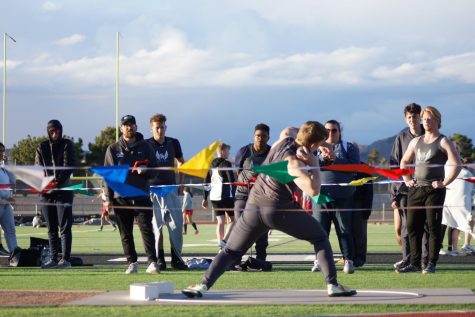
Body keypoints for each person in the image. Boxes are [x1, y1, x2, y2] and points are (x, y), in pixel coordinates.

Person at [182, 122, 357, 298]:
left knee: (230, 251)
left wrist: (324, 145)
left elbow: (290, 129)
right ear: (312, 145)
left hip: (252, 207)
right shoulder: (293, 162)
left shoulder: (284, 140)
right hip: (277, 210)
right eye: (318, 145)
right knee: (319, 237)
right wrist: (314, 163)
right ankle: (332, 285)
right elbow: (314, 190)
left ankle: (202, 286)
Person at [398, 106, 461, 274]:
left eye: (430, 119)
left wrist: (444, 182)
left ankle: (431, 263)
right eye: (424, 118)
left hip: (434, 190)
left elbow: (457, 164)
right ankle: (415, 263)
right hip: (416, 189)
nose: (426, 121)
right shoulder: (415, 141)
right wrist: (407, 179)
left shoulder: (443, 141)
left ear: (437, 122)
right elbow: (403, 162)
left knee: (433, 227)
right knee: (412, 227)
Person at [103, 114, 160, 274]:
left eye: (131, 124)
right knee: (125, 232)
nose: (129, 127)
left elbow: (155, 170)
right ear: (121, 128)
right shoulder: (113, 149)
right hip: (121, 198)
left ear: (136, 126)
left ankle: (152, 262)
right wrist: (108, 199)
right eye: (125, 125)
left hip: (141, 195)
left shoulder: (146, 146)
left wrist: (147, 170)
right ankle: (132, 262)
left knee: (146, 229)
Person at [313, 120, 360, 274]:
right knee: (320, 231)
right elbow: (307, 167)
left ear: (340, 132)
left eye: (334, 130)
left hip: (343, 196)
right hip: (321, 196)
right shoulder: (315, 147)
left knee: (344, 230)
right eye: (327, 130)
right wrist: (322, 159)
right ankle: (319, 261)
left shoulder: (349, 147)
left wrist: (335, 159)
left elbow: (355, 168)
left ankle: (348, 261)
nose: (330, 133)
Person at [146, 113, 188, 270]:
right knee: (156, 226)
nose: (160, 130)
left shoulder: (173, 142)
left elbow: (181, 162)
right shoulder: (145, 144)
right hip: (153, 189)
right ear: (151, 128)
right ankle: (160, 258)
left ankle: (177, 259)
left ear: (166, 127)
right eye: (157, 127)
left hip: (171, 188)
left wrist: (181, 182)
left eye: (162, 127)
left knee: (176, 226)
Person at [389, 103, 428, 269]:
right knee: (406, 227)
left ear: (421, 117)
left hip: (427, 189)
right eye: (409, 117)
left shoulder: (430, 136)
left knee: (426, 226)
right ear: (406, 120)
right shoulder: (401, 138)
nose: (412, 119)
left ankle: (426, 261)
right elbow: (394, 166)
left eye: (415, 116)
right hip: (405, 191)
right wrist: (394, 195)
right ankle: (408, 259)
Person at [35, 120, 76, 269]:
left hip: (63, 191)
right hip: (46, 193)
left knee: (64, 227)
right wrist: (44, 182)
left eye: (58, 130)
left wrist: (56, 182)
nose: (55, 133)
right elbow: (38, 168)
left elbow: (68, 166)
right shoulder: (42, 146)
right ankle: (53, 258)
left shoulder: (67, 144)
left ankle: (65, 259)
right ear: (48, 131)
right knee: (51, 227)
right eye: (52, 131)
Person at [234, 123, 271, 261]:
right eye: (257, 136)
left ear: (268, 137)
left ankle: (261, 259)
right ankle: (236, 259)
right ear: (253, 136)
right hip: (242, 195)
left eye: (263, 136)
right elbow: (238, 171)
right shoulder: (244, 151)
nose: (260, 138)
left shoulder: (272, 152)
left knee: (262, 229)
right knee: (240, 228)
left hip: (263, 196)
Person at [442, 143, 475, 255]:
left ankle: (456, 249)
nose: (456, 150)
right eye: (454, 148)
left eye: (457, 148)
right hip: (451, 197)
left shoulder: (460, 162)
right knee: (453, 222)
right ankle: (451, 248)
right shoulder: (446, 162)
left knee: (460, 224)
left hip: (463, 197)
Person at [203, 143, 236, 250]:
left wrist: (205, 198)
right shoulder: (226, 164)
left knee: (220, 221)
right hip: (225, 197)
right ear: (222, 151)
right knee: (234, 220)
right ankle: (224, 241)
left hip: (214, 198)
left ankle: (220, 244)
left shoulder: (211, 164)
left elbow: (206, 182)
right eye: (227, 151)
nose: (228, 153)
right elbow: (231, 180)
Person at [351, 169, 373, 267]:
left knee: (359, 232)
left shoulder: (364, 168)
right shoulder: (341, 165)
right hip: (344, 201)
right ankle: (348, 257)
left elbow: (369, 191)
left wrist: (367, 208)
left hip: (358, 203)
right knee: (345, 232)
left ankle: (359, 258)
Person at [0, 142, 18, 255]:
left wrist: (7, 163)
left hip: (5, 204)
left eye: (2, 151)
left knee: (11, 230)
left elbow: (13, 180)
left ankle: (15, 254)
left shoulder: (3, 169)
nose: (1, 153)